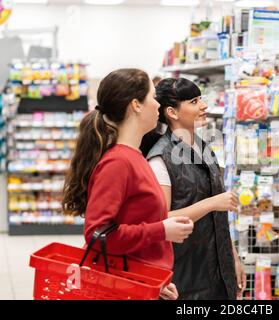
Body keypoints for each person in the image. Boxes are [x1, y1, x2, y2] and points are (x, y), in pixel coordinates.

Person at [62, 69, 194, 300]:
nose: (158, 104)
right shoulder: (118, 162)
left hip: (135, 283)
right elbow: (97, 234)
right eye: (153, 97)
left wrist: (154, 284)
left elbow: (131, 221)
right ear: (136, 105)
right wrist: (161, 230)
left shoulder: (135, 156)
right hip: (119, 289)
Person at [140, 78, 246, 300]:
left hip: (218, 270)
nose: (204, 106)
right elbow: (160, 220)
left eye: (201, 99)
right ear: (172, 112)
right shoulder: (160, 159)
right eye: (194, 101)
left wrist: (233, 257)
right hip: (186, 276)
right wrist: (212, 203)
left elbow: (218, 218)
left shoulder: (203, 148)